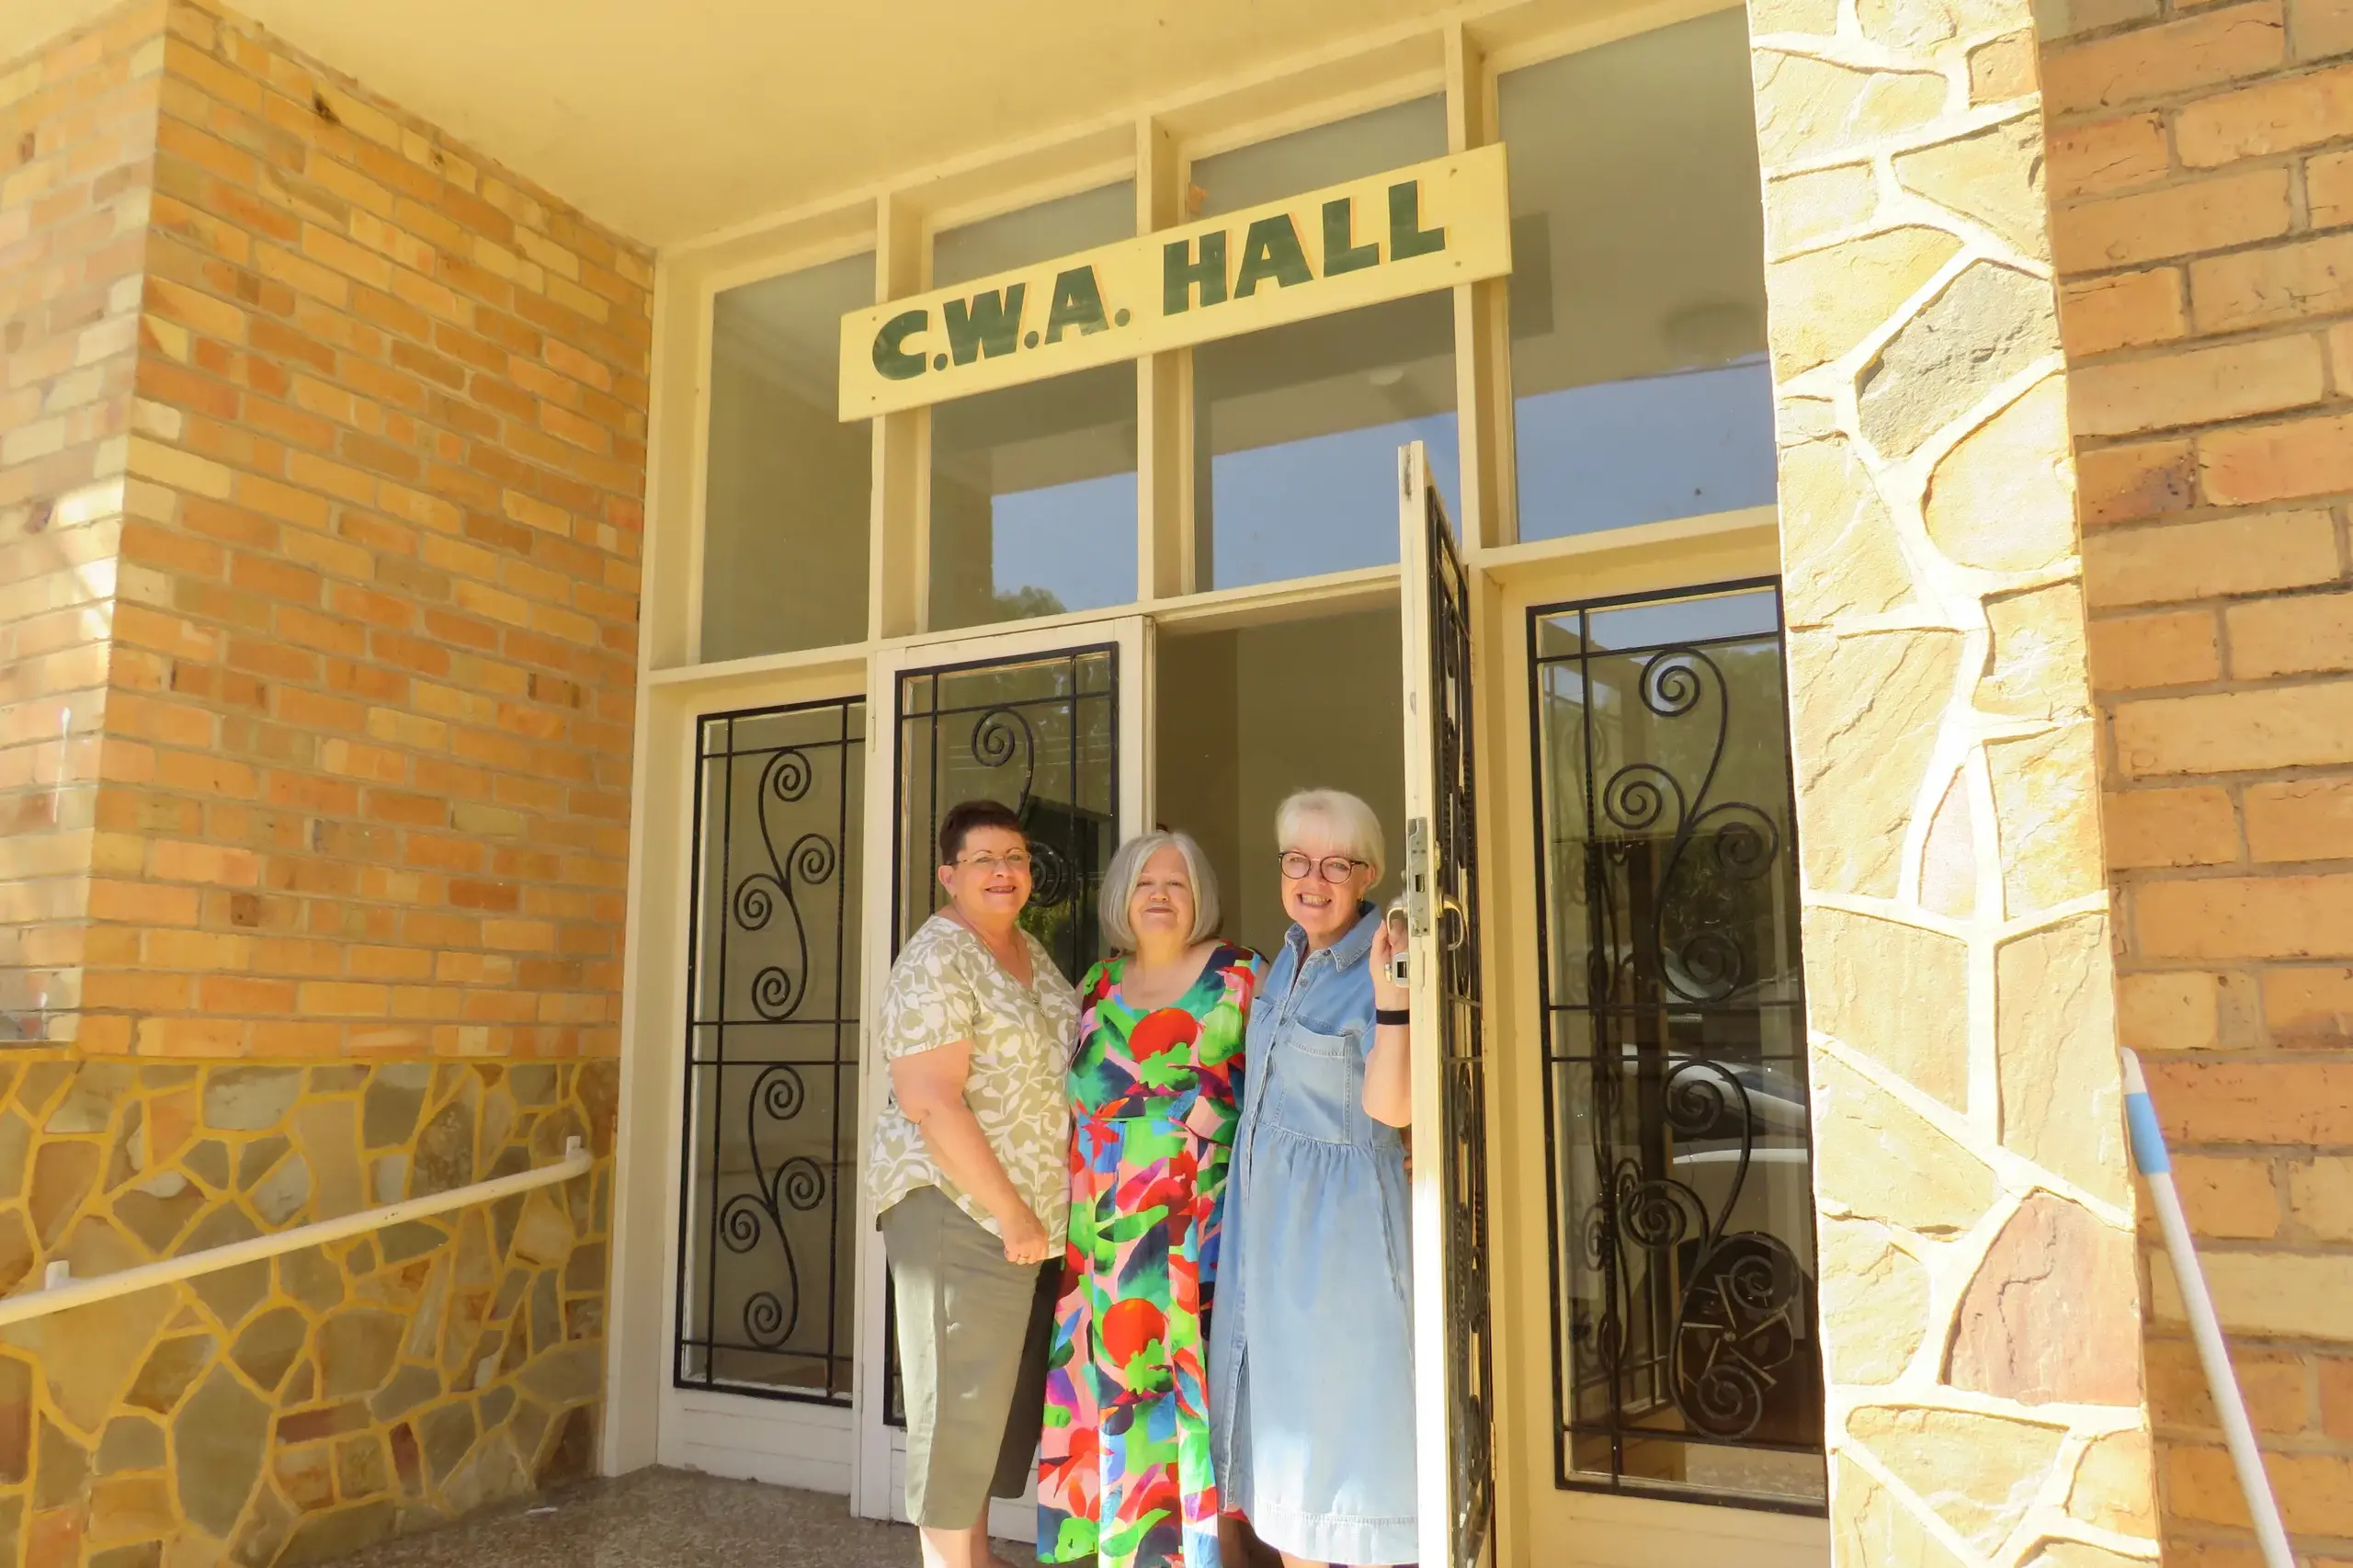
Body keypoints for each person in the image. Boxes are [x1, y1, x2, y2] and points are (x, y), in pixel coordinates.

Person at [1040, 831, 1263, 1568]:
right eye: (1144, 883)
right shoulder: (1096, 985)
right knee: (1119, 1399)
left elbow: (1283, 1092)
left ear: (1201, 896)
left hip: (1204, 1230)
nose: (1160, 896)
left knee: (1202, 1407)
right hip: (1104, 1238)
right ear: (1121, 899)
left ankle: (1217, 1555)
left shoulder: (1241, 975)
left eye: (1176, 882)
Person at [869, 799, 1082, 1568]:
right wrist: (1010, 1212)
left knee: (990, 1413)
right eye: (984, 859)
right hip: (961, 1211)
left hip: (1027, 1221)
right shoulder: (938, 958)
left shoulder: (1028, 951)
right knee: (956, 1409)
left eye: (1015, 858)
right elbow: (930, 1100)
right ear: (948, 875)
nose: (1003, 871)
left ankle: (978, 1557)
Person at [1209, 789, 1417, 1568]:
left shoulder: (1381, 964)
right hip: (1269, 1238)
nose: (1313, 880)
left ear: (1368, 874)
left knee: (1339, 1451)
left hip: (1339, 1244)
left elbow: (1391, 1108)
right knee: (1291, 1458)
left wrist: (1392, 1003)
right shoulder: (1285, 961)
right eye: (1298, 861)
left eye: (1336, 864)